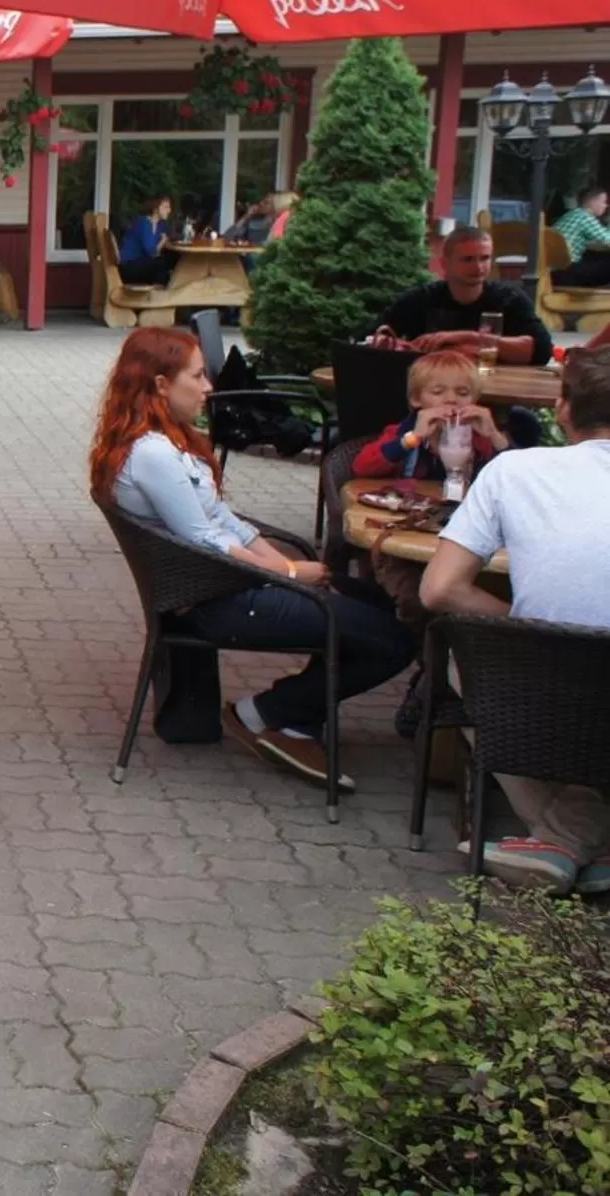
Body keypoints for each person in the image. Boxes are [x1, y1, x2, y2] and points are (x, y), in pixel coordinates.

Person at [94, 328, 417, 788]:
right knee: (395, 639)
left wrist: (285, 568)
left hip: (228, 584)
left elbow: (222, 518)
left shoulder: (167, 440)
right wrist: (286, 571)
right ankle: (275, 714)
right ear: (161, 384)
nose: (209, 388)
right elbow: (202, 539)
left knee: (383, 607)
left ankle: (288, 717)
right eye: (199, 376)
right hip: (214, 601)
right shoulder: (152, 454)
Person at [419, 348, 610, 894]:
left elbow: (438, 588)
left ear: (563, 410)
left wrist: (519, 623)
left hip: (537, 686)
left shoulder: (515, 469)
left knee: (469, 663)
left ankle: (560, 842)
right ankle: (585, 842)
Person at [349, 351, 510, 621]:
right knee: (413, 595)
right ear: (416, 399)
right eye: (437, 391)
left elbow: (517, 473)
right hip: (407, 534)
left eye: (462, 392)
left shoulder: (480, 438)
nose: (450, 400)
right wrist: (413, 438)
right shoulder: (406, 433)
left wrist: (494, 436)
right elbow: (362, 466)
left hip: (464, 537)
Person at [374, 226, 554, 365]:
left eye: (484, 258)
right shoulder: (422, 299)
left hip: (493, 391)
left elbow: (542, 350)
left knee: (524, 416)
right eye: (468, 259)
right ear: (445, 263)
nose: (478, 267)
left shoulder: (508, 298)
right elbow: (371, 337)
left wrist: (467, 338)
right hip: (432, 393)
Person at [551, 185, 610, 288]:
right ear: (593, 202)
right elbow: (607, 240)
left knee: (595, 257)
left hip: (554, 271)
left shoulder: (573, 214)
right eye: (604, 202)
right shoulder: (585, 217)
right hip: (566, 274)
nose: (606, 206)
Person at [117, 195, 178, 285]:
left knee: (172, 259)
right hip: (129, 267)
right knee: (161, 264)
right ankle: (166, 294)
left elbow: (168, 241)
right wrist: (162, 241)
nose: (169, 210)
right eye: (166, 207)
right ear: (156, 209)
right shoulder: (143, 223)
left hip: (145, 264)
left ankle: (166, 292)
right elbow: (151, 252)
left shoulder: (161, 225)